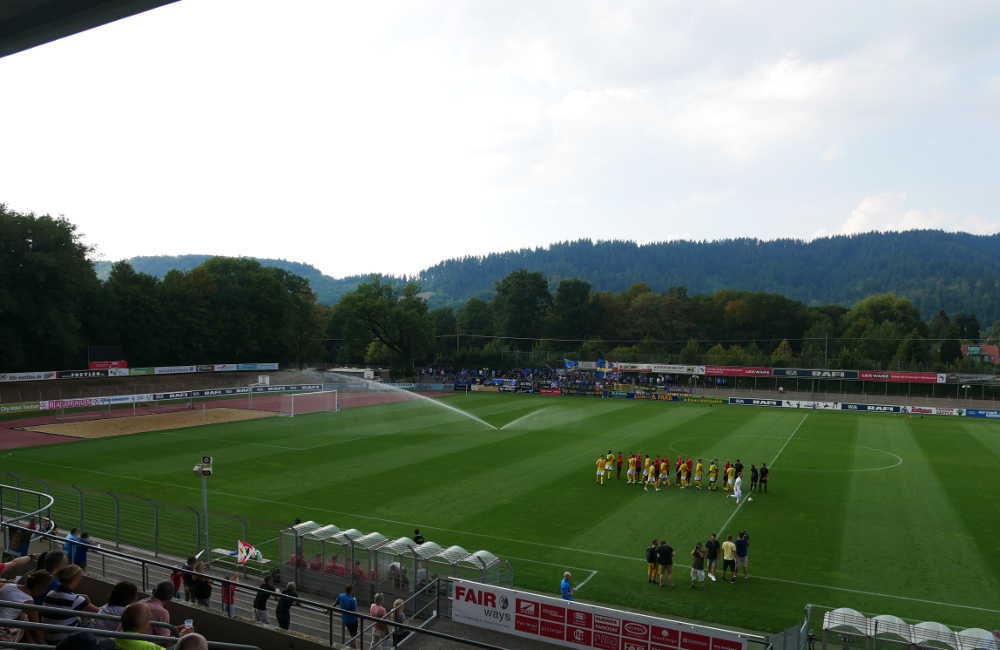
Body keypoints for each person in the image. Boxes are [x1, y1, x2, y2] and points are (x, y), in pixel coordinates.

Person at [42, 564, 100, 643]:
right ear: (76, 579)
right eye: (81, 577)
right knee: (90, 623)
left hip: (48, 638)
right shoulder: (76, 600)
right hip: (62, 642)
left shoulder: (50, 594)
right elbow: (99, 612)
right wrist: (87, 601)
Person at [0, 569, 50, 644]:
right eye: (45, 588)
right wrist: (44, 645)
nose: (43, 592)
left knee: (24, 618)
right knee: (25, 620)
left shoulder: (8, 585)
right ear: (39, 587)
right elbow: (36, 628)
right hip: (2, 633)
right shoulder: (28, 601)